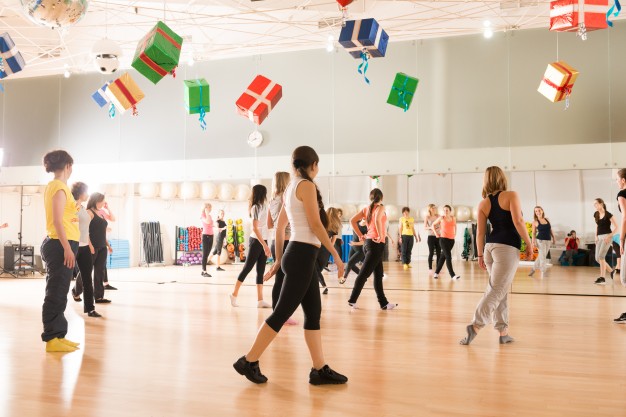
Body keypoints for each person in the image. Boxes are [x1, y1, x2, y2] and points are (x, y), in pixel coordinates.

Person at [234, 146, 347, 385]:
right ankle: (248, 360)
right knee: (281, 312)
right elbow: (316, 226)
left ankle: (319, 369)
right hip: (302, 254)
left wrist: (278, 260)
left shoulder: (290, 189)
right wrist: (336, 255)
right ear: (312, 164)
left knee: (313, 313)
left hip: (297, 254)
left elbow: (279, 226)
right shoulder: (306, 186)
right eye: (317, 165)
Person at [460, 166, 532, 346]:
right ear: (502, 178)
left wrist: (479, 255)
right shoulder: (511, 195)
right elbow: (518, 221)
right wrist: (529, 243)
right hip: (506, 249)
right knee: (497, 290)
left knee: (500, 289)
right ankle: (475, 325)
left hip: (489, 249)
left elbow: (480, 234)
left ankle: (503, 332)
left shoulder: (483, 203)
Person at [40, 150, 82, 352]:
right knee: (55, 291)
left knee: (61, 290)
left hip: (63, 243)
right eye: (71, 166)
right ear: (67, 166)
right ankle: (51, 338)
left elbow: (65, 216)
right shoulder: (58, 187)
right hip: (59, 244)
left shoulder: (60, 188)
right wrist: (67, 248)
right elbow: (57, 221)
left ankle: (58, 334)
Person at [347, 188, 397, 310]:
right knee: (363, 274)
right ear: (381, 197)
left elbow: (352, 221)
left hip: (369, 243)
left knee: (378, 275)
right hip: (375, 244)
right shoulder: (381, 208)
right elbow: (377, 220)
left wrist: (360, 235)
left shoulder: (366, 209)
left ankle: (383, 303)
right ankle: (352, 300)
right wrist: (380, 235)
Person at [230, 185, 271, 308]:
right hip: (256, 241)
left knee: (261, 270)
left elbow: (267, 225)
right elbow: (255, 228)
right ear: (262, 193)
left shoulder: (264, 206)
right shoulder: (255, 207)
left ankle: (260, 300)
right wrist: (265, 246)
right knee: (247, 268)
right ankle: (234, 294)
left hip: (263, 240)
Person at [266, 171, 297, 325]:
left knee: (281, 279)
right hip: (284, 241)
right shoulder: (285, 199)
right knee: (283, 280)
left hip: (274, 242)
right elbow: (280, 224)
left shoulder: (271, 200)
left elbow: (269, 225)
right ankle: (279, 314)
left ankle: (277, 313)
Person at [70, 182, 101, 318]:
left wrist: (89, 244)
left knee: (87, 279)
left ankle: (90, 309)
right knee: (65, 278)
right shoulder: (72, 207)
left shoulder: (82, 208)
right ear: (80, 193)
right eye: (86, 192)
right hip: (73, 246)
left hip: (84, 248)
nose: (88, 195)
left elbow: (86, 230)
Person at [87, 193, 112, 304]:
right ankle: (75, 291)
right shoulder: (89, 213)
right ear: (97, 201)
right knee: (86, 272)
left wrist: (108, 245)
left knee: (99, 273)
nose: (104, 203)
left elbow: (102, 233)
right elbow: (83, 231)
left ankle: (98, 297)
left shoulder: (101, 214)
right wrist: (90, 245)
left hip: (102, 247)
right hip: (92, 247)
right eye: (103, 201)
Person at [315, 207, 342, 294]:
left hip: (316, 247)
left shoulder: (321, 222)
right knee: (316, 270)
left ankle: (324, 286)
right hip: (326, 250)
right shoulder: (335, 227)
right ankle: (323, 286)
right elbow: (332, 243)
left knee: (315, 269)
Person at [431, 205, 460, 280]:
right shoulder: (441, 218)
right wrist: (436, 233)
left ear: (450, 211)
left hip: (451, 240)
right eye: (444, 210)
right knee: (448, 256)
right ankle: (452, 275)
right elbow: (433, 225)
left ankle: (436, 273)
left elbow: (455, 226)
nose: (445, 211)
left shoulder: (454, 218)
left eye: (447, 210)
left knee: (442, 257)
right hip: (443, 239)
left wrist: (455, 234)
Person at [593, 198, 617, 285]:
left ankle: (602, 278)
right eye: (594, 204)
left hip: (607, 237)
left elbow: (617, 227)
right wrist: (595, 236)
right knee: (597, 258)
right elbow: (597, 227)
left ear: (601, 203)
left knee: (601, 256)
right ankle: (611, 271)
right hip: (599, 238)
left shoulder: (608, 215)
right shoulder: (596, 214)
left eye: (596, 204)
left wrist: (609, 236)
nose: (594, 205)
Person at [613, 169, 626, 323]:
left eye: (617, 179)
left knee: (624, 277)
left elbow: (625, 217)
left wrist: (621, 239)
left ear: (623, 180)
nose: (616, 181)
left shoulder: (622, 194)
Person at [529, 206, 555, 278]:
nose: (538, 212)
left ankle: (533, 269)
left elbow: (550, 230)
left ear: (542, 211)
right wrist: (532, 242)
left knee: (541, 256)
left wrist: (554, 237)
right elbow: (533, 233)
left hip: (548, 240)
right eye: (536, 211)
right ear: (535, 213)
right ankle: (544, 271)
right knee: (543, 257)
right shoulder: (535, 222)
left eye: (539, 210)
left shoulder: (547, 219)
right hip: (540, 240)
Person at [99, 201, 117, 291]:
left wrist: (108, 208)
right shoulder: (90, 212)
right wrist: (105, 228)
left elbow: (113, 219)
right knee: (93, 266)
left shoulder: (102, 212)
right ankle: (79, 287)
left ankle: (105, 283)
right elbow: (91, 226)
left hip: (102, 240)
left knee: (103, 264)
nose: (103, 203)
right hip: (94, 241)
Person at [424, 204, 441, 275]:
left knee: (439, 253)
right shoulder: (427, 217)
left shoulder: (438, 216)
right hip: (431, 236)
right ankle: (430, 268)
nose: (434, 209)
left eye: (434, 208)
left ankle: (438, 269)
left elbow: (441, 225)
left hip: (438, 236)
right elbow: (425, 227)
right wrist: (431, 227)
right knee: (431, 253)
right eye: (432, 208)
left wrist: (438, 228)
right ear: (429, 209)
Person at [200, 203, 214, 278]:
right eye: (209, 208)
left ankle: (203, 271)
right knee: (205, 254)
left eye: (210, 208)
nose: (210, 209)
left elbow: (211, 224)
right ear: (205, 208)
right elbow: (208, 222)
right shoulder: (203, 216)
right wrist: (207, 213)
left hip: (211, 236)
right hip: (205, 236)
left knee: (207, 254)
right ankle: (204, 271)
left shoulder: (210, 216)